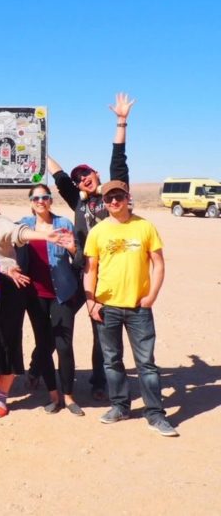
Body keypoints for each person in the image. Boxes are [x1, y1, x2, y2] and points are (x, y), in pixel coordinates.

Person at [47, 92, 134, 401]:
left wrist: (121, 122)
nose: (82, 179)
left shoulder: (113, 196)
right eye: (79, 177)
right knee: (58, 321)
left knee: (102, 331)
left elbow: (119, 161)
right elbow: (58, 177)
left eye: (86, 174)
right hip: (80, 272)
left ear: (96, 173)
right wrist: (38, 145)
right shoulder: (77, 202)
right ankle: (38, 368)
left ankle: (99, 382)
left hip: (109, 275)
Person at [0, 182, 65, 418]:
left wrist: (44, 235)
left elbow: (17, 232)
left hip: (6, 290)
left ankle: (2, 397)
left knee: (6, 343)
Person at [83, 181, 177, 437]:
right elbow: (90, 270)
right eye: (109, 198)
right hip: (107, 307)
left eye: (118, 197)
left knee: (146, 363)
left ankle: (155, 414)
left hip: (138, 308)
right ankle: (120, 406)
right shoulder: (98, 232)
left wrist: (152, 295)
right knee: (112, 361)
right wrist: (91, 302)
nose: (114, 202)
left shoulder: (144, 226)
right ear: (104, 202)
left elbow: (158, 264)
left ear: (127, 197)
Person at [17, 184, 84, 416]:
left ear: (50, 200)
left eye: (45, 197)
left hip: (62, 293)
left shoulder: (63, 224)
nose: (41, 201)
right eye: (36, 198)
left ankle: (69, 396)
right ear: (31, 202)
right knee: (44, 346)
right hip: (35, 296)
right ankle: (53, 396)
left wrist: (74, 248)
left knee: (64, 346)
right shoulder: (22, 225)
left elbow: (78, 260)